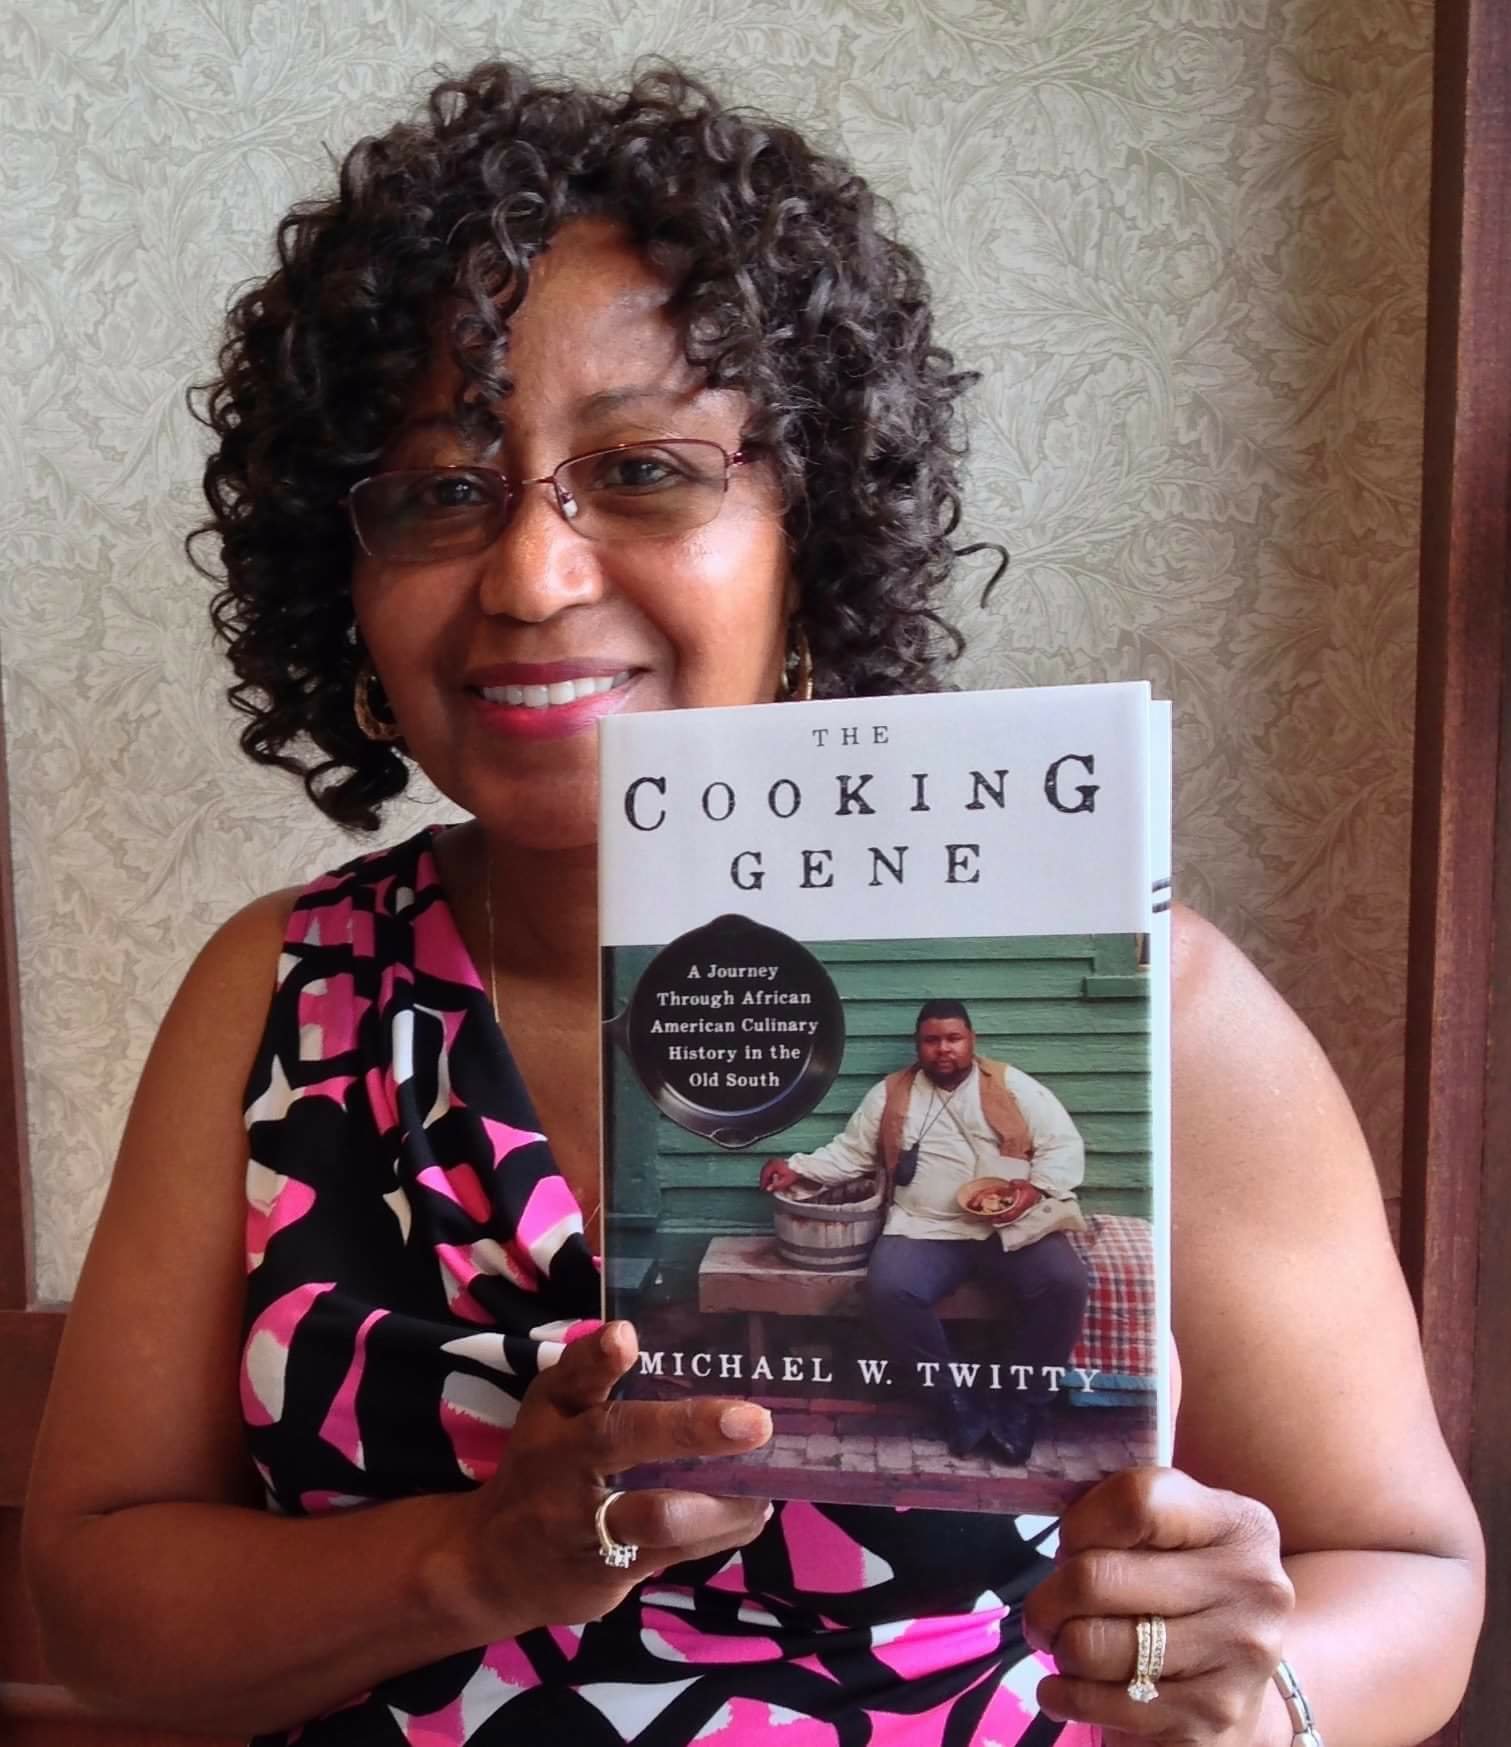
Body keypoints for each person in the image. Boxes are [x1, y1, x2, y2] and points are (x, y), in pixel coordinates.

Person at [20, 60, 1482, 1747]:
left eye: (643, 468)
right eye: (439, 490)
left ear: (813, 536)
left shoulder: (1149, 1007)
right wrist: (469, 1563)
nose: (530, 575)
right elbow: (103, 1615)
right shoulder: (282, 997)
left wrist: (1264, 1689)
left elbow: (1408, 1567)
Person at [760, 1000, 1091, 1463]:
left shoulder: (1011, 1084)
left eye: (954, 1038)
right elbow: (852, 1153)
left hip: (1009, 1224)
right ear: (919, 1046)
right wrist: (797, 1167)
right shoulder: (892, 1093)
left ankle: (1021, 1405)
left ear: (971, 1040)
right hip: (924, 1226)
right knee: (889, 1290)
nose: (943, 1049)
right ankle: (954, 1403)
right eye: (932, 1040)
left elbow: (1061, 1143)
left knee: (1064, 1282)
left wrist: (1034, 1189)